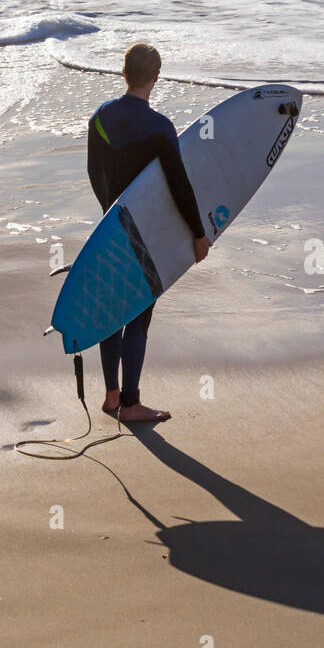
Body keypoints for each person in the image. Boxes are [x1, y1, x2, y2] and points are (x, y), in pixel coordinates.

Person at [87, 43, 210, 423]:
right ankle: (132, 403)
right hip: (145, 234)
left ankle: (111, 396)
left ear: (124, 73)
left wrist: (108, 213)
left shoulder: (100, 118)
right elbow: (179, 185)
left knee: (110, 312)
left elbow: (94, 173)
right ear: (156, 77)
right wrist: (198, 233)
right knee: (138, 315)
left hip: (110, 227)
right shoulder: (160, 127)